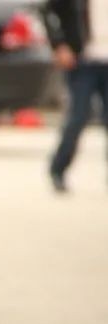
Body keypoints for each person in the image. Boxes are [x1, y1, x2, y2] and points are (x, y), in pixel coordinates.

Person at [43, 0, 108, 193]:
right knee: (78, 116)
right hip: (82, 62)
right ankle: (58, 169)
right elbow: (48, 12)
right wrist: (59, 45)